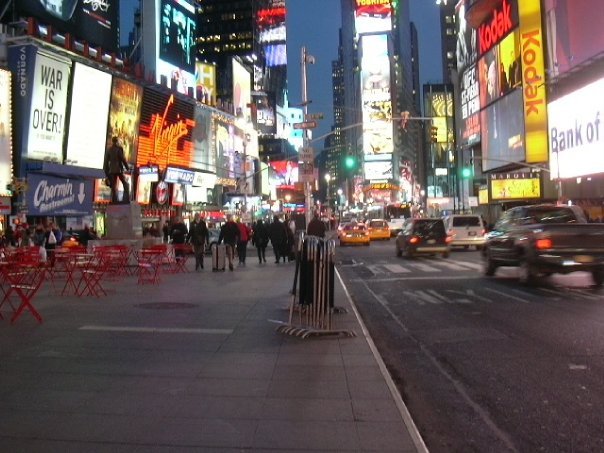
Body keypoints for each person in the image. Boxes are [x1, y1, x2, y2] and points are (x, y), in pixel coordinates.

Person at [104, 136, 130, 203]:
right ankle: (126, 198)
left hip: (112, 170)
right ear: (117, 141)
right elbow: (122, 159)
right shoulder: (119, 149)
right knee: (124, 183)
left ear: (112, 141)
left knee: (113, 186)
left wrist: (106, 172)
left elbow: (106, 162)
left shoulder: (109, 150)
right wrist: (127, 167)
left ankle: (114, 200)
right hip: (118, 169)